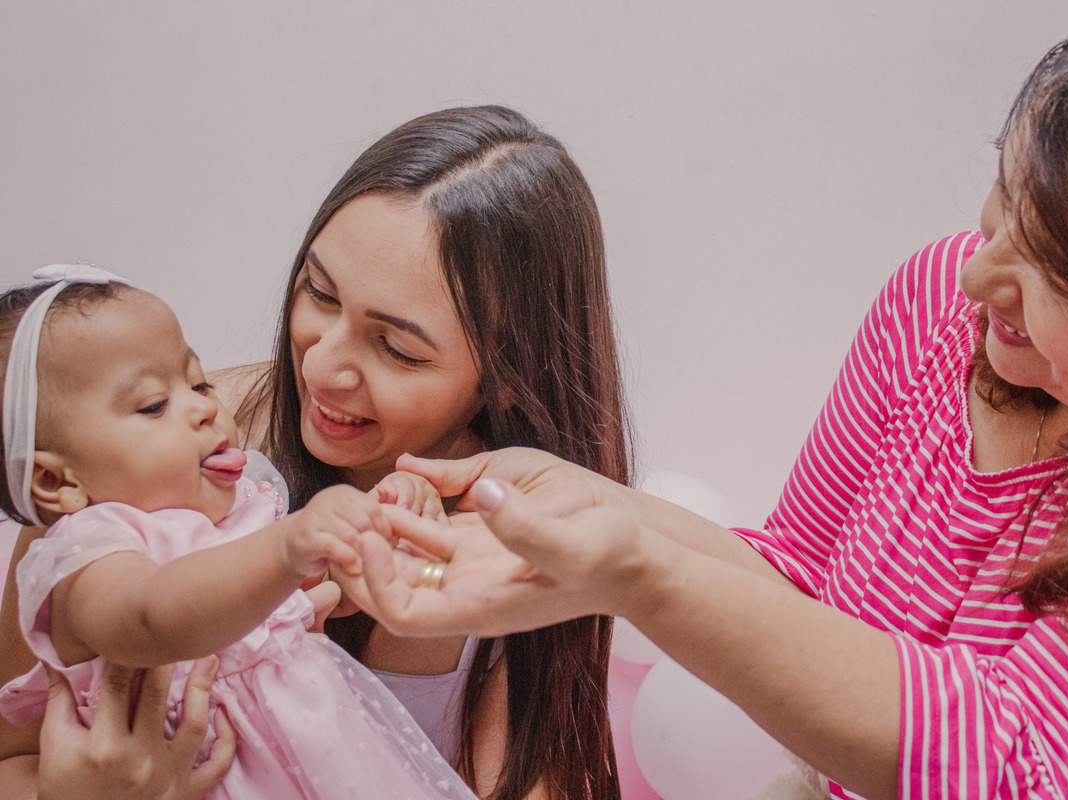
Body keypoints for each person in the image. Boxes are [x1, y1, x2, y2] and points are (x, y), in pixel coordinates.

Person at [343, 3, 1068, 799]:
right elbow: (802, 577)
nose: (981, 272)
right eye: (1007, 196)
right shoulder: (938, 300)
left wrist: (639, 574)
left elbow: (1010, 761)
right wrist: (589, 503)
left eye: (1059, 270)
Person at [0, 105, 628, 800]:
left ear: (508, 374)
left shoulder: (521, 538)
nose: (324, 369)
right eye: (319, 293)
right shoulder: (136, 467)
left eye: (397, 348)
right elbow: (10, 754)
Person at [0, 266, 477, 799]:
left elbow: (281, 610)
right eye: (154, 404)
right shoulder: (91, 550)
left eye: (198, 382)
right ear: (56, 480)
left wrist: (374, 535)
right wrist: (288, 545)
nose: (206, 407)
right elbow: (152, 615)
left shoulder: (235, 513)